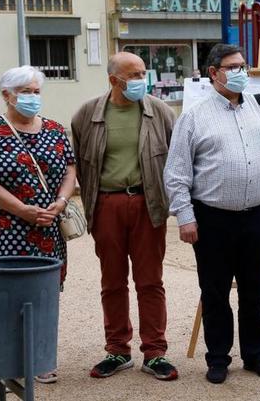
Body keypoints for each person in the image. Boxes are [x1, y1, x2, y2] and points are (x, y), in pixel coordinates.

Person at [164, 44, 260, 384]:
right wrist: (185, 216)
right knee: (216, 292)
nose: (241, 72)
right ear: (213, 73)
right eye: (233, 67)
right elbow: (176, 173)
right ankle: (218, 358)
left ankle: (255, 355)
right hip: (213, 219)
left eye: (243, 66)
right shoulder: (193, 117)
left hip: (258, 216)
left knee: (255, 291)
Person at [72, 52, 178, 381]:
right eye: (133, 75)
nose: (140, 81)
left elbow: (176, 161)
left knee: (150, 281)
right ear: (113, 80)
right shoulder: (88, 115)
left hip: (148, 204)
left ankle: (155, 352)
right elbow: (77, 162)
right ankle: (117, 349)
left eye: (143, 73)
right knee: (112, 281)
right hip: (107, 204)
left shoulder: (159, 112)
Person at [0, 66, 76, 385]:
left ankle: (40, 358)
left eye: (36, 91)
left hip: (48, 227)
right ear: (6, 94)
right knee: (3, 293)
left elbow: (69, 171)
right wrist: (24, 210)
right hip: (4, 226)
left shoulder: (54, 129)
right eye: (25, 91)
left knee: (44, 292)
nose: (32, 97)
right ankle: (3, 364)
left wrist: (61, 202)